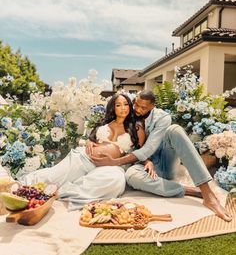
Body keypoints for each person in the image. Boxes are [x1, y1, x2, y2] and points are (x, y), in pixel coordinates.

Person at [90, 90, 232, 221]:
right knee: (131, 175)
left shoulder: (163, 118)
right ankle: (189, 190)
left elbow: (149, 148)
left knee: (175, 130)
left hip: (166, 161)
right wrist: (91, 140)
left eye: (143, 108)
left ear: (153, 107)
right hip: (146, 165)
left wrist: (115, 161)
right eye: (136, 105)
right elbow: (120, 133)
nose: (138, 110)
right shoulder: (131, 113)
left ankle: (207, 194)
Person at [19, 93, 146, 210]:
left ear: (130, 106)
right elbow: (89, 139)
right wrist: (89, 142)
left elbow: (142, 152)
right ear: (113, 108)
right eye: (118, 105)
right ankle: (22, 184)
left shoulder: (136, 128)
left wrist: (147, 161)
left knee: (116, 181)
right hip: (84, 158)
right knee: (52, 176)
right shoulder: (104, 123)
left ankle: (64, 190)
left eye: (126, 104)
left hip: (111, 166)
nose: (123, 108)